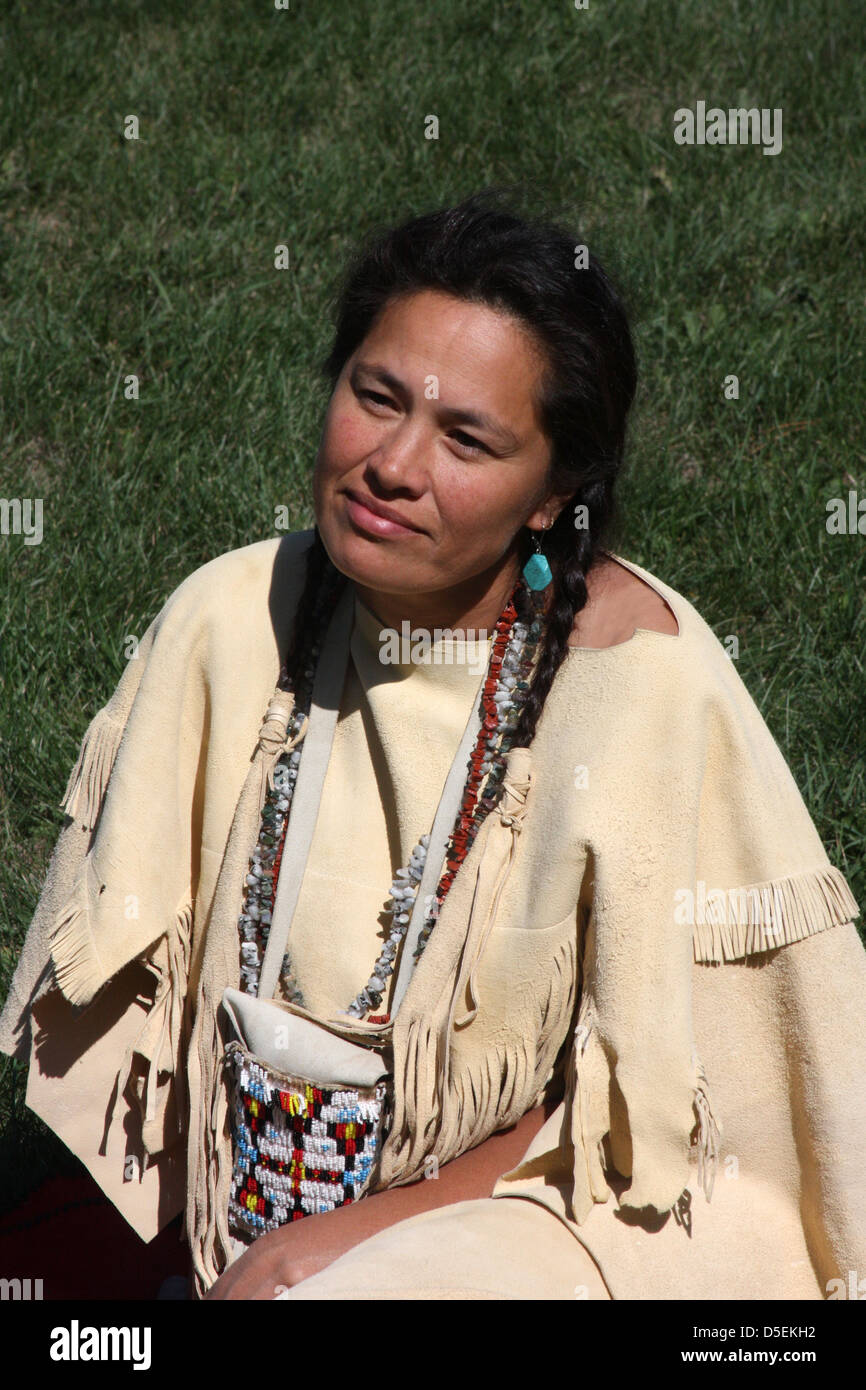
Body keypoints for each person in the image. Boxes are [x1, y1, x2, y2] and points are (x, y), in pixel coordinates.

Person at [1, 190, 863, 1302]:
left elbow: (649, 1101)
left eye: (466, 439)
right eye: (376, 396)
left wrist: (357, 1238)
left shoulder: (636, 686)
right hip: (252, 1214)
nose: (393, 465)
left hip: (549, 1212)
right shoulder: (230, 616)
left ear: (554, 495)